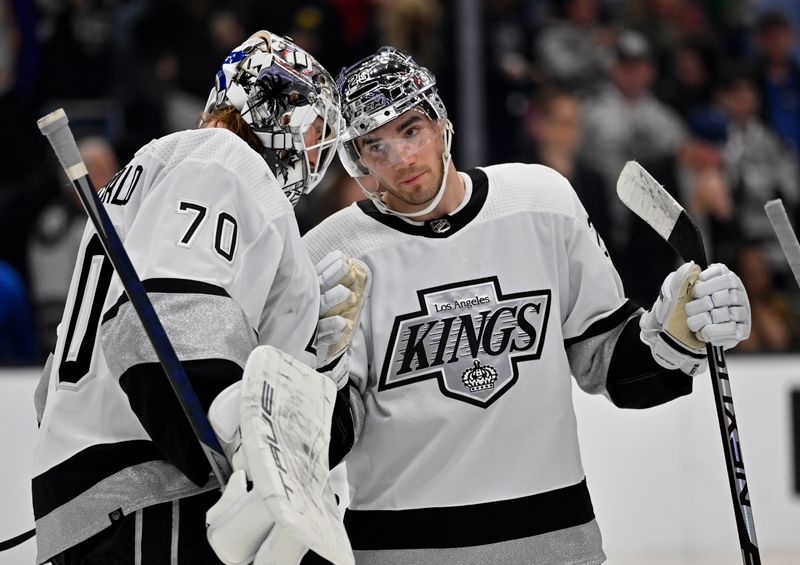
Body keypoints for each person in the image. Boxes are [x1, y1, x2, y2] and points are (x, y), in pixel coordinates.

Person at [302, 46, 752, 564]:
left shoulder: (543, 203)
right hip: (402, 551)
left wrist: (674, 338)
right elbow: (322, 446)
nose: (401, 158)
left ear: (441, 123)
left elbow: (613, 368)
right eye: (375, 146)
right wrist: (321, 377)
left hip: (556, 544)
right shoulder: (332, 255)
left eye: (410, 130)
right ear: (356, 161)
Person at [31, 30, 342, 565]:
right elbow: (163, 335)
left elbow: (50, 392)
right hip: (161, 503)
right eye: (312, 130)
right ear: (277, 112)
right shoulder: (222, 159)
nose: (316, 153)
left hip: (98, 509)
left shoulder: (152, 172)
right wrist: (255, 477)